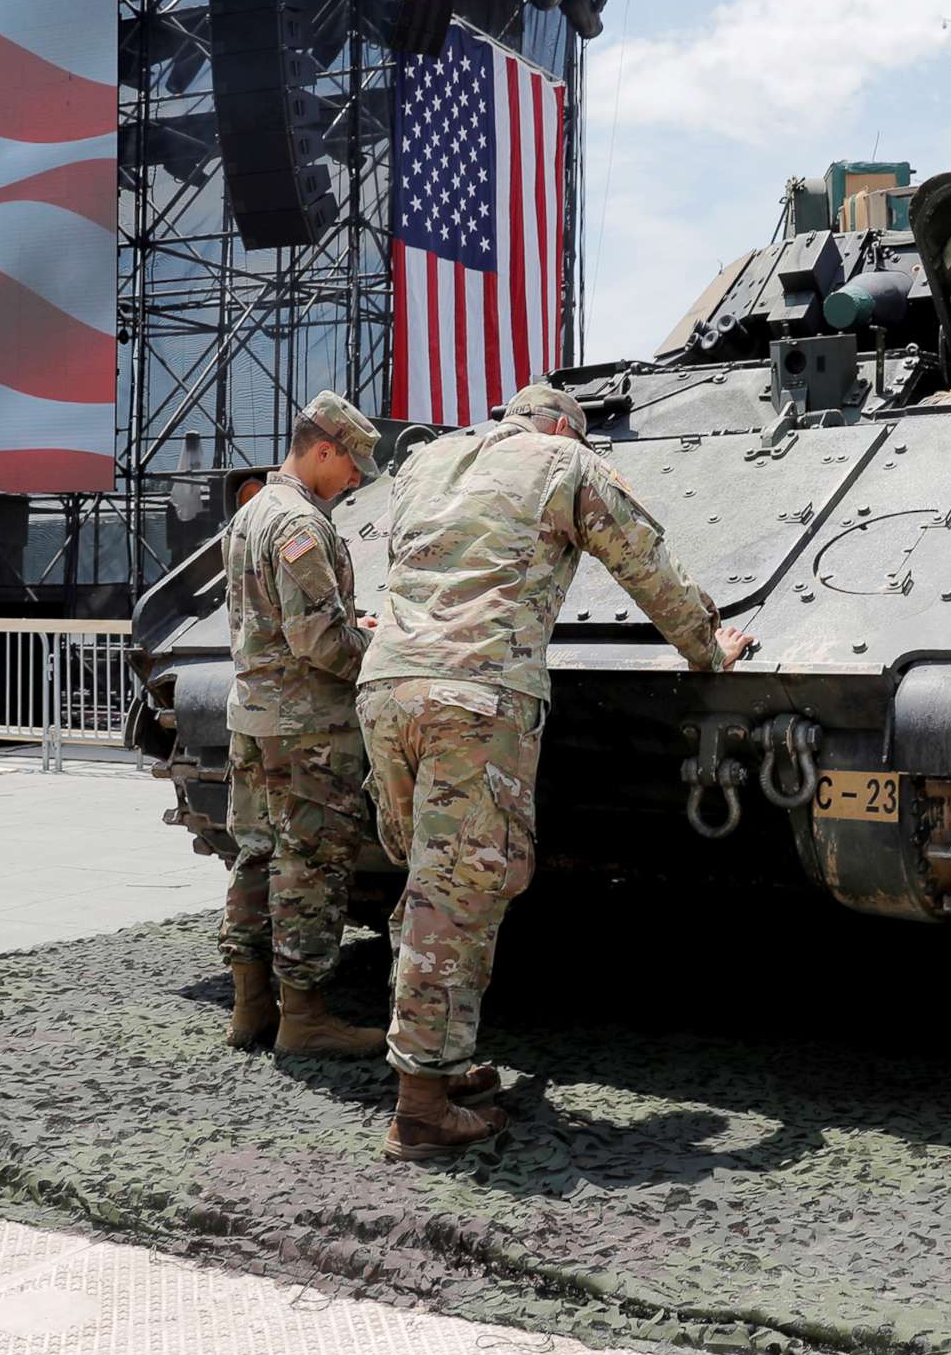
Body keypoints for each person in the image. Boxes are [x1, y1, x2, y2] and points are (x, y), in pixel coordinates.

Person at [357, 383, 755, 1160]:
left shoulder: (431, 460)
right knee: (459, 894)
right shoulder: (563, 462)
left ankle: (442, 1060)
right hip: (475, 696)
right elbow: (645, 564)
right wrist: (708, 647)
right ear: (563, 428)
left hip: (388, 689)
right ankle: (421, 1111)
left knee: (427, 884)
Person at [219, 390, 389, 1058]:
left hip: (255, 715)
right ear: (325, 450)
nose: (354, 481)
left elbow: (277, 621)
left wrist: (349, 625)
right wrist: (384, 653)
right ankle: (307, 1018)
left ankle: (251, 1006)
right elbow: (321, 642)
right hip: (308, 728)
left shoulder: (253, 511)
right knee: (311, 865)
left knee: (255, 856)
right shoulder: (300, 525)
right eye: (351, 468)